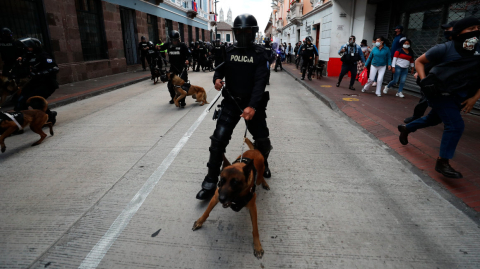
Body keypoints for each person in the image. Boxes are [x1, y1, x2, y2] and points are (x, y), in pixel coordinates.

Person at [196, 14, 272, 200]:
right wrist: (217, 79)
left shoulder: (260, 54)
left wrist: (252, 106)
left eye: (247, 31)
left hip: (253, 105)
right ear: (235, 32)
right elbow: (220, 69)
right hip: (231, 102)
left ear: (254, 33)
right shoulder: (228, 51)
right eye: (239, 31)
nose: (244, 35)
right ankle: (211, 179)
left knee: (262, 141)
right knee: (218, 140)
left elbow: (260, 82)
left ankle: (263, 164)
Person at [398, 16, 480, 178]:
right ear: (459, 32)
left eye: (477, 28)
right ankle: (443, 162)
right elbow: (420, 61)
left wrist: (475, 98)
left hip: (461, 94)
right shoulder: (444, 48)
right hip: (439, 93)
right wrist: (424, 80)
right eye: (471, 29)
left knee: (433, 119)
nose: (476, 32)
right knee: (455, 126)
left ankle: (407, 128)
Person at [404, 20, 457, 124]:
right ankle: (415, 120)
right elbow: (422, 61)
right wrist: (422, 77)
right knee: (425, 99)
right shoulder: (444, 46)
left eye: (448, 29)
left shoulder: (469, 50)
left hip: (451, 83)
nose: (446, 31)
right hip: (434, 80)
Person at [14, 38, 59, 125]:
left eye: (29, 47)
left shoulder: (44, 55)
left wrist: (39, 73)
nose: (28, 49)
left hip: (47, 83)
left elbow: (54, 68)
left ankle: (49, 117)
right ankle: (21, 122)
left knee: (35, 101)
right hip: (33, 83)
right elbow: (23, 69)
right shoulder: (26, 56)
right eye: (27, 47)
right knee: (20, 100)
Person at [159, 30, 192, 107]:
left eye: (176, 40)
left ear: (179, 39)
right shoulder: (168, 45)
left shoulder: (183, 46)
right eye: (173, 40)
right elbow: (160, 48)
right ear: (170, 40)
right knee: (170, 85)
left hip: (182, 68)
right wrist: (157, 49)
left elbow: (189, 55)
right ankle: (174, 98)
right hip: (173, 68)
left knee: (182, 85)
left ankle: (182, 100)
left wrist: (188, 60)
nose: (175, 42)